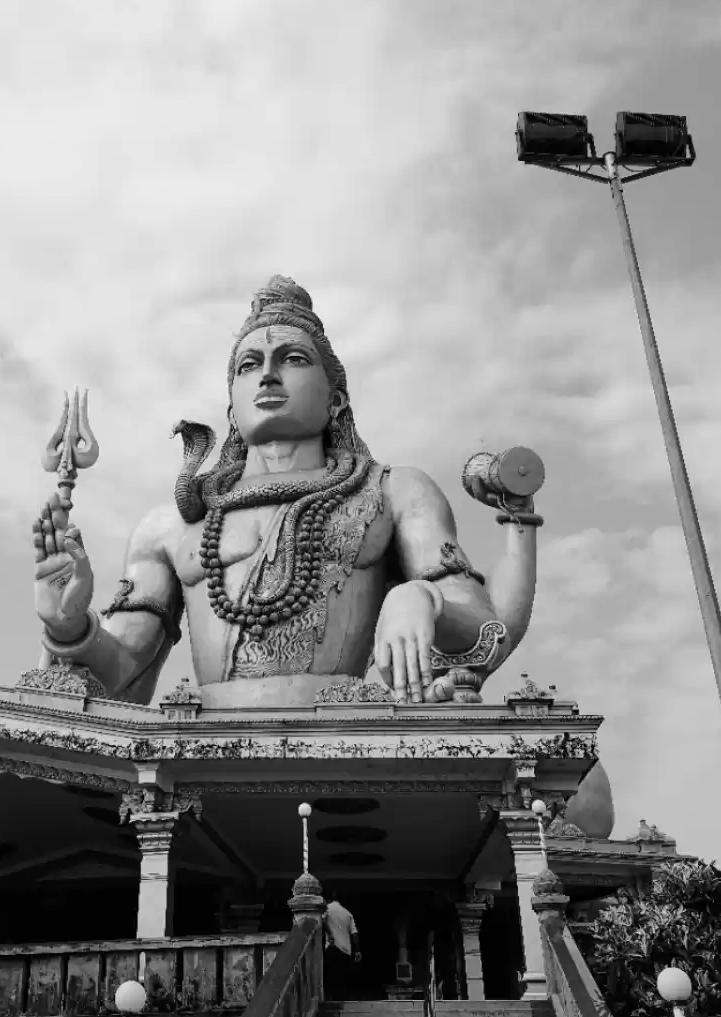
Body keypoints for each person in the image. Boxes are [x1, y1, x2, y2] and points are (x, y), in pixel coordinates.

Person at [32, 276, 541, 706]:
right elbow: (119, 670)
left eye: (292, 358)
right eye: (248, 365)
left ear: (337, 399)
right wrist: (71, 625)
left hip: (341, 748)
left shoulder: (393, 492)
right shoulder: (170, 526)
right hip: (195, 754)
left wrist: (424, 597)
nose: (268, 374)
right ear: (232, 404)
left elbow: (485, 632)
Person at [324, 889, 361, 999]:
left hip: (332, 947)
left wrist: (330, 934)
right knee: (342, 977)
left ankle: (331, 999)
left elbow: (322, 921)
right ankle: (341, 1000)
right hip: (345, 950)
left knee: (331, 976)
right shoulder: (347, 913)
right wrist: (358, 950)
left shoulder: (326, 909)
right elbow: (354, 933)